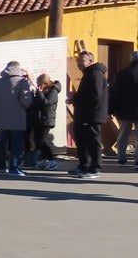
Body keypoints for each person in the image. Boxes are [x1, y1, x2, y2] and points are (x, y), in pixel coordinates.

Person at [69, 50, 108, 178]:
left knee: (92, 142)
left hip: (92, 115)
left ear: (90, 61)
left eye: (82, 60)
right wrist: (75, 99)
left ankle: (94, 169)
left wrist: (76, 98)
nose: (79, 63)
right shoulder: (88, 74)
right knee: (81, 141)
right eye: (78, 61)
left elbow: (95, 96)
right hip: (84, 114)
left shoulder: (95, 74)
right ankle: (83, 165)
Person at [0, 61, 35, 177]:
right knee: (16, 145)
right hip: (17, 119)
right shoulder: (22, 82)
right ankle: (14, 168)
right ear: (18, 69)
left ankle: (1, 166)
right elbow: (26, 101)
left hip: (1, 119)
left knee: (2, 143)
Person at [109, 51, 138, 166]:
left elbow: (114, 93)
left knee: (123, 135)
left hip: (124, 110)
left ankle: (121, 159)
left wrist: (111, 108)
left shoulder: (122, 73)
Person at [29, 74, 61, 170]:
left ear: (45, 83)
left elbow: (46, 103)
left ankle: (52, 160)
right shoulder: (45, 90)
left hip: (47, 119)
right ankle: (46, 160)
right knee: (37, 140)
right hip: (41, 119)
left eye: (40, 84)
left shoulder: (53, 91)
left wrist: (39, 92)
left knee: (42, 140)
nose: (39, 86)